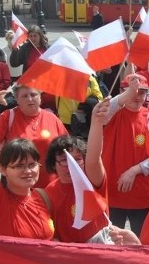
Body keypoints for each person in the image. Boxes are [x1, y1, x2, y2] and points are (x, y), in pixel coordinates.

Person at [0, 90, 54, 240]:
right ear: (3, 169)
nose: (28, 171)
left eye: (32, 164)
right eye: (19, 166)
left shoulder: (42, 197)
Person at [44, 100, 111, 243]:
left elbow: (94, 158)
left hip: (101, 251)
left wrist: (96, 121)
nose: (71, 165)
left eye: (78, 159)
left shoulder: (92, 180)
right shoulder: (49, 192)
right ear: (53, 164)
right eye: (64, 160)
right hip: (70, 256)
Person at [102, 74, 149, 234]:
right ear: (122, 92)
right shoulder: (111, 114)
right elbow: (104, 111)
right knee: (113, 243)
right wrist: (128, 93)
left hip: (141, 194)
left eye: (141, 92)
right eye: (132, 92)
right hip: (112, 192)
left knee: (142, 241)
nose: (137, 96)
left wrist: (135, 170)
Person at [0, 84, 68, 188]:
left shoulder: (52, 118)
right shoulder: (7, 117)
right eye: (24, 96)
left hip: (50, 184)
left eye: (34, 94)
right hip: (18, 186)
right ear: (17, 100)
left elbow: (66, 147)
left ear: (40, 98)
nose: (30, 99)